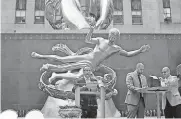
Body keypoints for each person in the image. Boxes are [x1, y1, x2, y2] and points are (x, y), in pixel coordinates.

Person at [31, 27, 150, 73]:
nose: (112, 37)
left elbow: (128, 54)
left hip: (91, 64)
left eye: (114, 36)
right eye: (111, 35)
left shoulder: (115, 48)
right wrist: (91, 30)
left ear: (117, 38)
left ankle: (48, 67)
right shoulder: (100, 40)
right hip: (86, 57)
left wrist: (139, 50)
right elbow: (87, 40)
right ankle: (40, 56)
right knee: (63, 59)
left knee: (65, 67)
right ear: (108, 35)